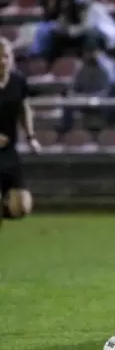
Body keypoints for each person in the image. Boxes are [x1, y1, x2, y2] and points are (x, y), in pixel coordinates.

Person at [0, 38, 42, 229]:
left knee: (21, 207)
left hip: (9, 152)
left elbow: (24, 108)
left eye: (5, 56)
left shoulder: (18, 81)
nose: (2, 61)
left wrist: (31, 137)